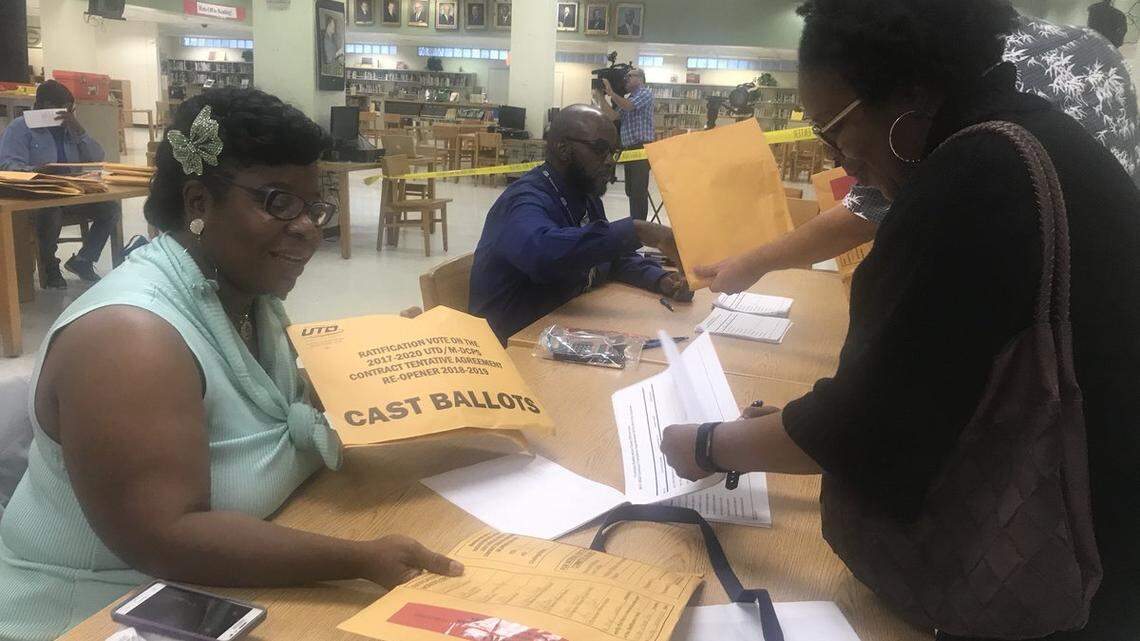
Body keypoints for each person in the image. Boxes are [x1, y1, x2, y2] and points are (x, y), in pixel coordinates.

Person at [661, 0, 1140, 638]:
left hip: (1076, 571)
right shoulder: (1032, 131)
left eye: (832, 129)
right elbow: (937, 375)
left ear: (908, 98)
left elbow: (869, 426)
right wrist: (791, 426)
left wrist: (708, 446)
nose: (837, 158)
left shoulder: (970, 178)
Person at [0, 88, 461, 641]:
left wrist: (385, 360)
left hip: (221, 588)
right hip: (103, 613)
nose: (308, 228)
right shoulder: (129, 340)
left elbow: (271, 413)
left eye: (314, 207)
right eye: (278, 202)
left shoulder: (247, 296)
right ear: (198, 203)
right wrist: (360, 559)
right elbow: (163, 538)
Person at [697, 12, 1140, 294]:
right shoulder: (1089, 50)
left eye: (834, 132)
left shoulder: (954, 95)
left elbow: (869, 209)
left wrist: (753, 263)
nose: (842, 161)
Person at [469, 105, 691, 344]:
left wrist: (659, 279)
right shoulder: (524, 200)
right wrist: (640, 231)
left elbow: (608, 256)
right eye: (600, 150)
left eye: (614, 153)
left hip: (557, 330)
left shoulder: (584, 195)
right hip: (510, 345)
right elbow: (544, 255)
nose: (609, 162)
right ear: (563, 148)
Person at [0, 80, 120, 288]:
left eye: (69, 110)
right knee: (50, 212)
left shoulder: (69, 128)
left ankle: (84, 260)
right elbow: (8, 166)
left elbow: (98, 158)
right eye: (61, 110)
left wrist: (79, 130)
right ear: (41, 106)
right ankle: (50, 266)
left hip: (72, 191)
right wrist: (37, 171)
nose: (66, 115)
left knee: (110, 208)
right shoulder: (19, 128)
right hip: (40, 195)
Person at [597, 68, 654, 221]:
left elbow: (628, 106)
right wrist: (601, 97)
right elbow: (612, 116)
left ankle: (640, 228)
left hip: (641, 148)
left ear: (640, 79)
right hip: (629, 149)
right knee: (631, 191)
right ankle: (635, 224)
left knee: (638, 191)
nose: (626, 79)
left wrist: (611, 92)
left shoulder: (645, 93)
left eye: (630, 76)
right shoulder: (629, 98)